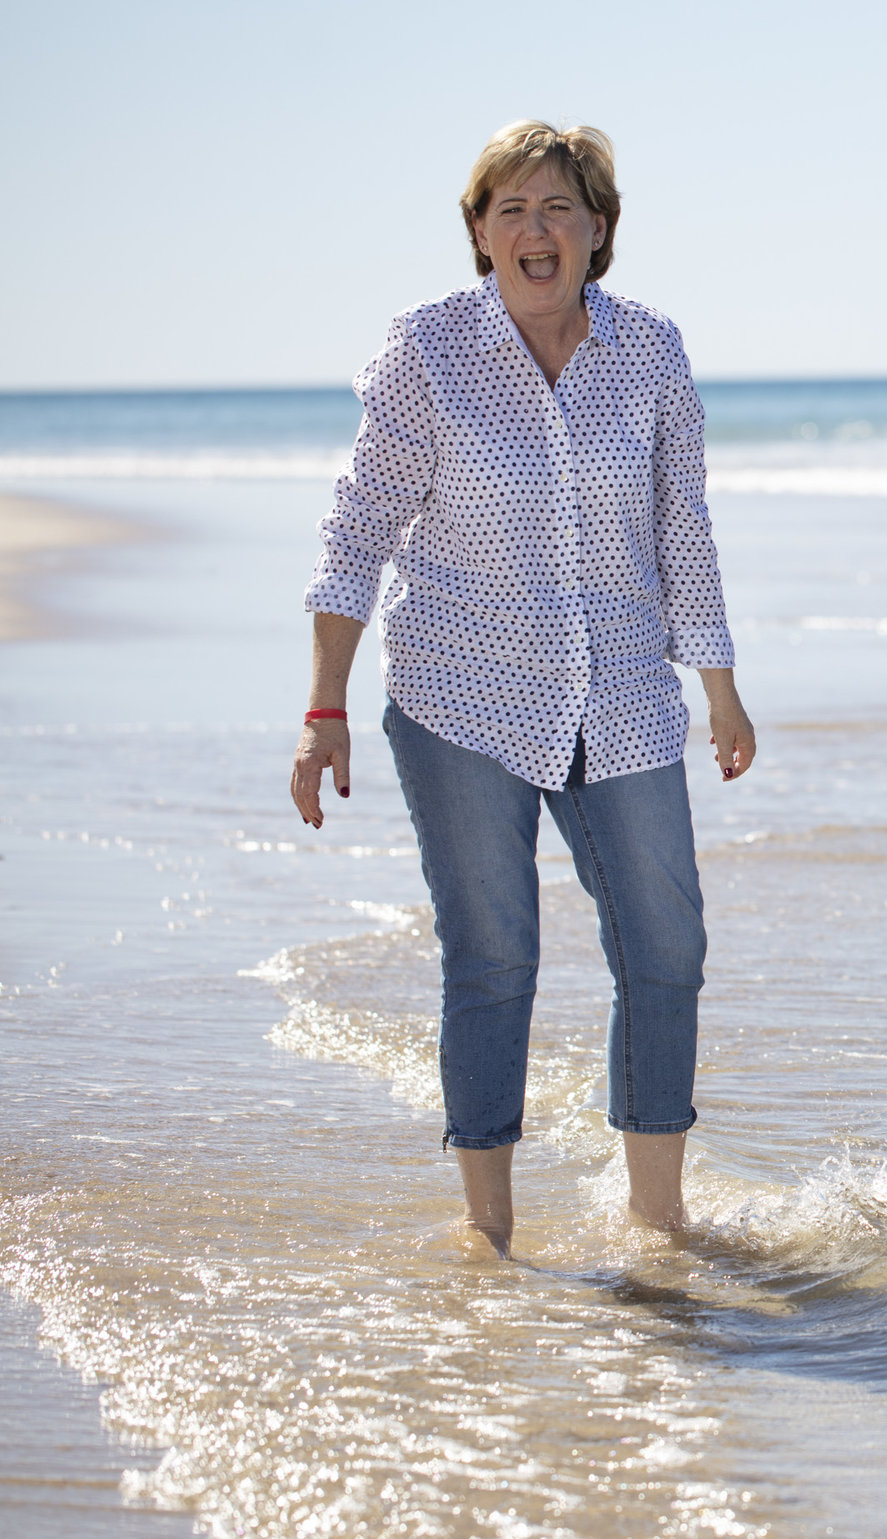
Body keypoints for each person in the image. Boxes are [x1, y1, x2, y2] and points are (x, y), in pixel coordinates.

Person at [288, 121, 755, 1256]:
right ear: (479, 233)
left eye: (559, 208)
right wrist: (323, 710)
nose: (534, 230)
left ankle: (657, 1218)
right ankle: (489, 1230)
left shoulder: (650, 350)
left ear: (599, 230)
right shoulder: (429, 351)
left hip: (627, 695)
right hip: (460, 694)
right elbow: (355, 534)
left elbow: (679, 527)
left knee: (665, 945)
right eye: (510, 209)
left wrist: (722, 686)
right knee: (493, 953)